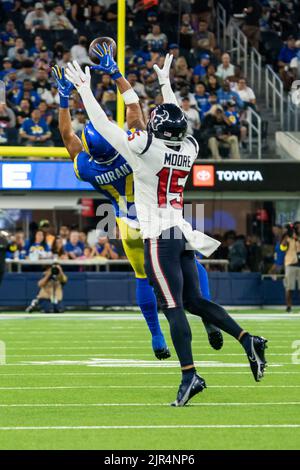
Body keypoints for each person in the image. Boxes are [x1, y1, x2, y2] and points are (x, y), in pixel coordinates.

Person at [66, 53, 267, 406]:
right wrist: (165, 85)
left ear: (156, 128)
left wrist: (85, 88)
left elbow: (105, 124)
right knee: (195, 300)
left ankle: (190, 375)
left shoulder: (145, 149)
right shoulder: (189, 148)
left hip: (159, 237)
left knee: (173, 306)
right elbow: (177, 119)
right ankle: (247, 338)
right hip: (181, 230)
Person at [53, 51, 223, 359]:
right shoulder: (136, 148)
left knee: (144, 277)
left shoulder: (90, 169)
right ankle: (209, 320)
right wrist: (117, 73)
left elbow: (67, 136)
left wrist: (65, 99)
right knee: (192, 266)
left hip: (127, 224)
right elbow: (134, 109)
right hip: (160, 216)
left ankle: (157, 337)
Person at [280, 223, 300, 312]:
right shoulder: (288, 238)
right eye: (298, 227)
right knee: (289, 287)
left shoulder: (298, 239)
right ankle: (289, 306)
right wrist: (286, 238)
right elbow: (282, 248)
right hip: (290, 264)